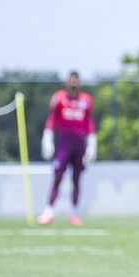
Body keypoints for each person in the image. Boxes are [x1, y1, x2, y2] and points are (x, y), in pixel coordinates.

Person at [36, 71, 97, 226]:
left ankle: (74, 213)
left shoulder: (86, 100)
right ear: (67, 82)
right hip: (64, 145)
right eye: (71, 80)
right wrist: (47, 138)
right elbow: (52, 119)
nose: (73, 83)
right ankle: (48, 211)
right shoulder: (59, 98)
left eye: (76, 80)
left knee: (76, 179)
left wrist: (91, 144)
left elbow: (89, 122)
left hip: (79, 146)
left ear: (80, 82)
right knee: (57, 177)